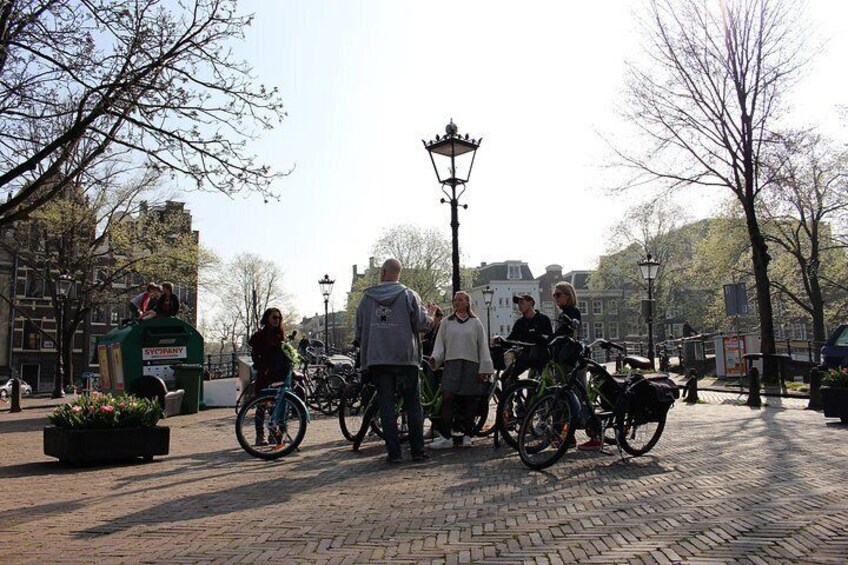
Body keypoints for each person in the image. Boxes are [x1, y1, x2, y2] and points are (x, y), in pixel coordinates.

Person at [355, 258, 435, 464]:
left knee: (387, 406)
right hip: (405, 358)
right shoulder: (409, 295)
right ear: (398, 273)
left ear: (382, 272)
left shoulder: (366, 299)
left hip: (379, 360)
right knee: (413, 404)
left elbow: (359, 331)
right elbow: (422, 325)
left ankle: (395, 454)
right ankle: (418, 451)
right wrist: (432, 315)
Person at [429, 291, 495, 449]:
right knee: (447, 399)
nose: (456, 303)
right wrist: (436, 358)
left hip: (471, 364)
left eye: (460, 300)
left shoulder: (476, 323)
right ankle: (446, 436)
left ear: (467, 302)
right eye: (455, 300)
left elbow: (482, 347)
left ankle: (468, 435)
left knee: (469, 400)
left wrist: (484, 368)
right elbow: (440, 344)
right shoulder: (446, 322)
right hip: (452, 363)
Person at [248, 307, 291, 446]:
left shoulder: (281, 336)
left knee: (277, 405)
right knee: (262, 405)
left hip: (279, 375)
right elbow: (255, 356)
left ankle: (275, 434)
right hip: (265, 374)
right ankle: (260, 436)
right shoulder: (260, 336)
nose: (276, 320)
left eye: (279, 318)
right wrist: (264, 368)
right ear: (267, 318)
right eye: (274, 317)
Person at [492, 293, 553, 382]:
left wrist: (537, 337)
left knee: (542, 383)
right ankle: (512, 394)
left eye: (521, 302)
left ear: (530, 302)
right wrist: (500, 340)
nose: (519, 306)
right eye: (518, 303)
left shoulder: (543, 319)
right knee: (506, 377)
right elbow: (511, 340)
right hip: (525, 356)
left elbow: (549, 339)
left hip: (540, 357)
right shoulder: (520, 323)